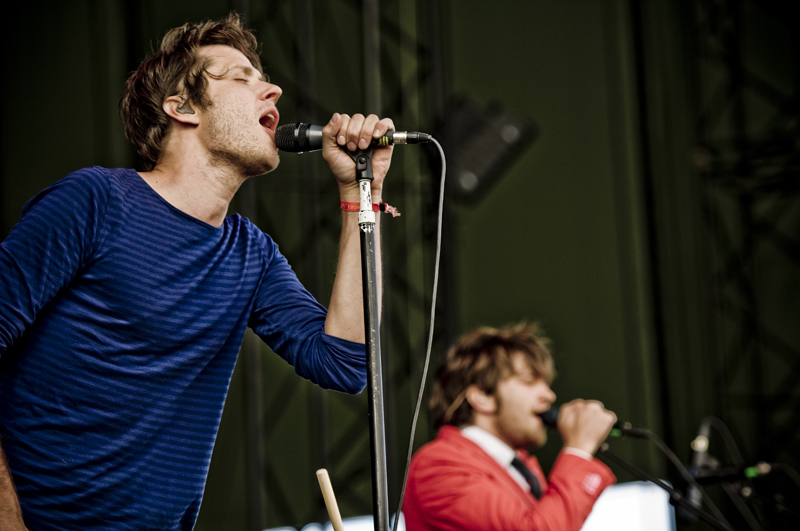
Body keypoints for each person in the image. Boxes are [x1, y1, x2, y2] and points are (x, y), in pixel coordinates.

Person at [0, 13, 395, 531]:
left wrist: (361, 193)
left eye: (264, 79)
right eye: (241, 78)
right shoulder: (95, 202)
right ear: (181, 107)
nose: (273, 89)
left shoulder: (250, 254)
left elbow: (345, 362)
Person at [403, 323, 618, 531]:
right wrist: (578, 450)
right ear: (483, 397)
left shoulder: (520, 467)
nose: (549, 395)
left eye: (546, 384)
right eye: (529, 382)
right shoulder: (437, 465)